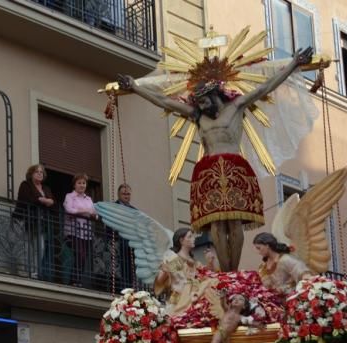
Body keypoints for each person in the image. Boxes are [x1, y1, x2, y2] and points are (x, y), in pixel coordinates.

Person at [118, 46, 314, 271]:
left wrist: (293, 64)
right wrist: (134, 87)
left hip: (234, 167)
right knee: (217, 225)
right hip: (209, 171)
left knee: (235, 222)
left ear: (213, 95)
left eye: (203, 101)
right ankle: (227, 272)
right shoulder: (197, 116)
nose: (200, 106)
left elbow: (266, 86)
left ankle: (233, 270)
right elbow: (165, 102)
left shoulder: (237, 106)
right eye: (198, 102)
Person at [16, 164, 57, 280]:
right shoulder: (26, 185)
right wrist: (42, 200)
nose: (39, 174)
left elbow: (54, 204)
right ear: (31, 174)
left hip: (40, 222)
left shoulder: (46, 189)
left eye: (41, 172)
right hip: (25, 220)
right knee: (26, 247)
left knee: (40, 248)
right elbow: (27, 198)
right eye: (37, 172)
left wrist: (48, 201)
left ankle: (34, 272)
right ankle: (25, 272)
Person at [62, 173, 99, 288]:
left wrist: (91, 214)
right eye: (79, 183)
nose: (82, 185)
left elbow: (95, 215)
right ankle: (73, 279)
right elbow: (69, 209)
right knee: (80, 254)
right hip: (73, 231)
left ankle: (78, 280)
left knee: (83, 257)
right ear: (74, 185)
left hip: (86, 233)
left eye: (84, 183)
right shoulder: (70, 196)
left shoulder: (89, 199)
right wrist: (84, 211)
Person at [113, 183, 137, 286]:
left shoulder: (134, 210)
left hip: (131, 241)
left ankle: (131, 284)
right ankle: (123, 285)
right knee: (122, 264)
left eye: (128, 194)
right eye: (124, 194)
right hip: (119, 240)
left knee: (131, 265)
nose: (126, 196)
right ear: (119, 195)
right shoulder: (114, 207)